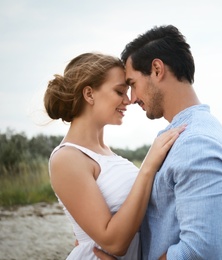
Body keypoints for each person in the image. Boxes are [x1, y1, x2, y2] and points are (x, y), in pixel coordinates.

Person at [94, 25, 222, 260]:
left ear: (156, 69)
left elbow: (201, 252)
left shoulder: (197, 145)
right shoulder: (188, 134)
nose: (131, 99)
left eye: (133, 84)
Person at [44, 52, 185, 259]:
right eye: (120, 91)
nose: (128, 100)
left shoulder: (107, 154)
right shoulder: (67, 158)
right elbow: (114, 243)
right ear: (89, 94)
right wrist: (148, 166)